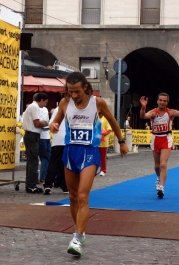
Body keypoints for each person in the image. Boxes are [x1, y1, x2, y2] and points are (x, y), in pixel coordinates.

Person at [50, 72, 128, 256]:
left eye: (77, 91)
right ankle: (81, 229)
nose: (74, 96)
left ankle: (77, 238)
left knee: (83, 196)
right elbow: (56, 122)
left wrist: (122, 141)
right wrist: (53, 126)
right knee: (73, 196)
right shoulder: (64, 103)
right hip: (70, 151)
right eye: (70, 92)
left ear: (85, 87)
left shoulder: (97, 103)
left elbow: (112, 120)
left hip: (90, 152)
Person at [139, 93, 179, 199]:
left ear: (167, 102)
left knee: (163, 164)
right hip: (155, 138)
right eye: (160, 100)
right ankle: (158, 178)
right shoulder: (153, 112)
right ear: (157, 101)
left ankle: (161, 187)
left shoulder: (171, 112)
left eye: (164, 101)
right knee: (157, 166)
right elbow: (143, 116)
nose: (162, 102)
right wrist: (143, 107)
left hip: (166, 138)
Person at [22, 93, 49, 193]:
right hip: (33, 135)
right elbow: (37, 123)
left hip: (30, 135)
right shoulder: (35, 107)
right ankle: (31, 185)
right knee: (33, 161)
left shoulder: (31, 107)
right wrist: (46, 123)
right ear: (41, 100)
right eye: (45, 102)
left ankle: (30, 184)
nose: (45, 105)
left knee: (31, 161)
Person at [43, 106, 69, 194]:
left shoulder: (58, 109)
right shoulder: (75, 107)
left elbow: (51, 123)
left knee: (53, 162)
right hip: (68, 140)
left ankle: (48, 184)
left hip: (58, 140)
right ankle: (65, 186)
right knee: (65, 163)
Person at [38, 106, 51, 183]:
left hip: (45, 136)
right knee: (45, 158)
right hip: (43, 136)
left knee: (46, 158)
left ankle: (44, 176)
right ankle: (43, 176)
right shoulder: (42, 109)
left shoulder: (44, 109)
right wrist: (47, 123)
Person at [98, 112, 112, 176]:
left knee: (103, 157)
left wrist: (103, 134)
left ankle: (103, 170)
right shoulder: (96, 118)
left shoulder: (105, 119)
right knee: (95, 156)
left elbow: (109, 129)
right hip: (96, 141)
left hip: (103, 142)